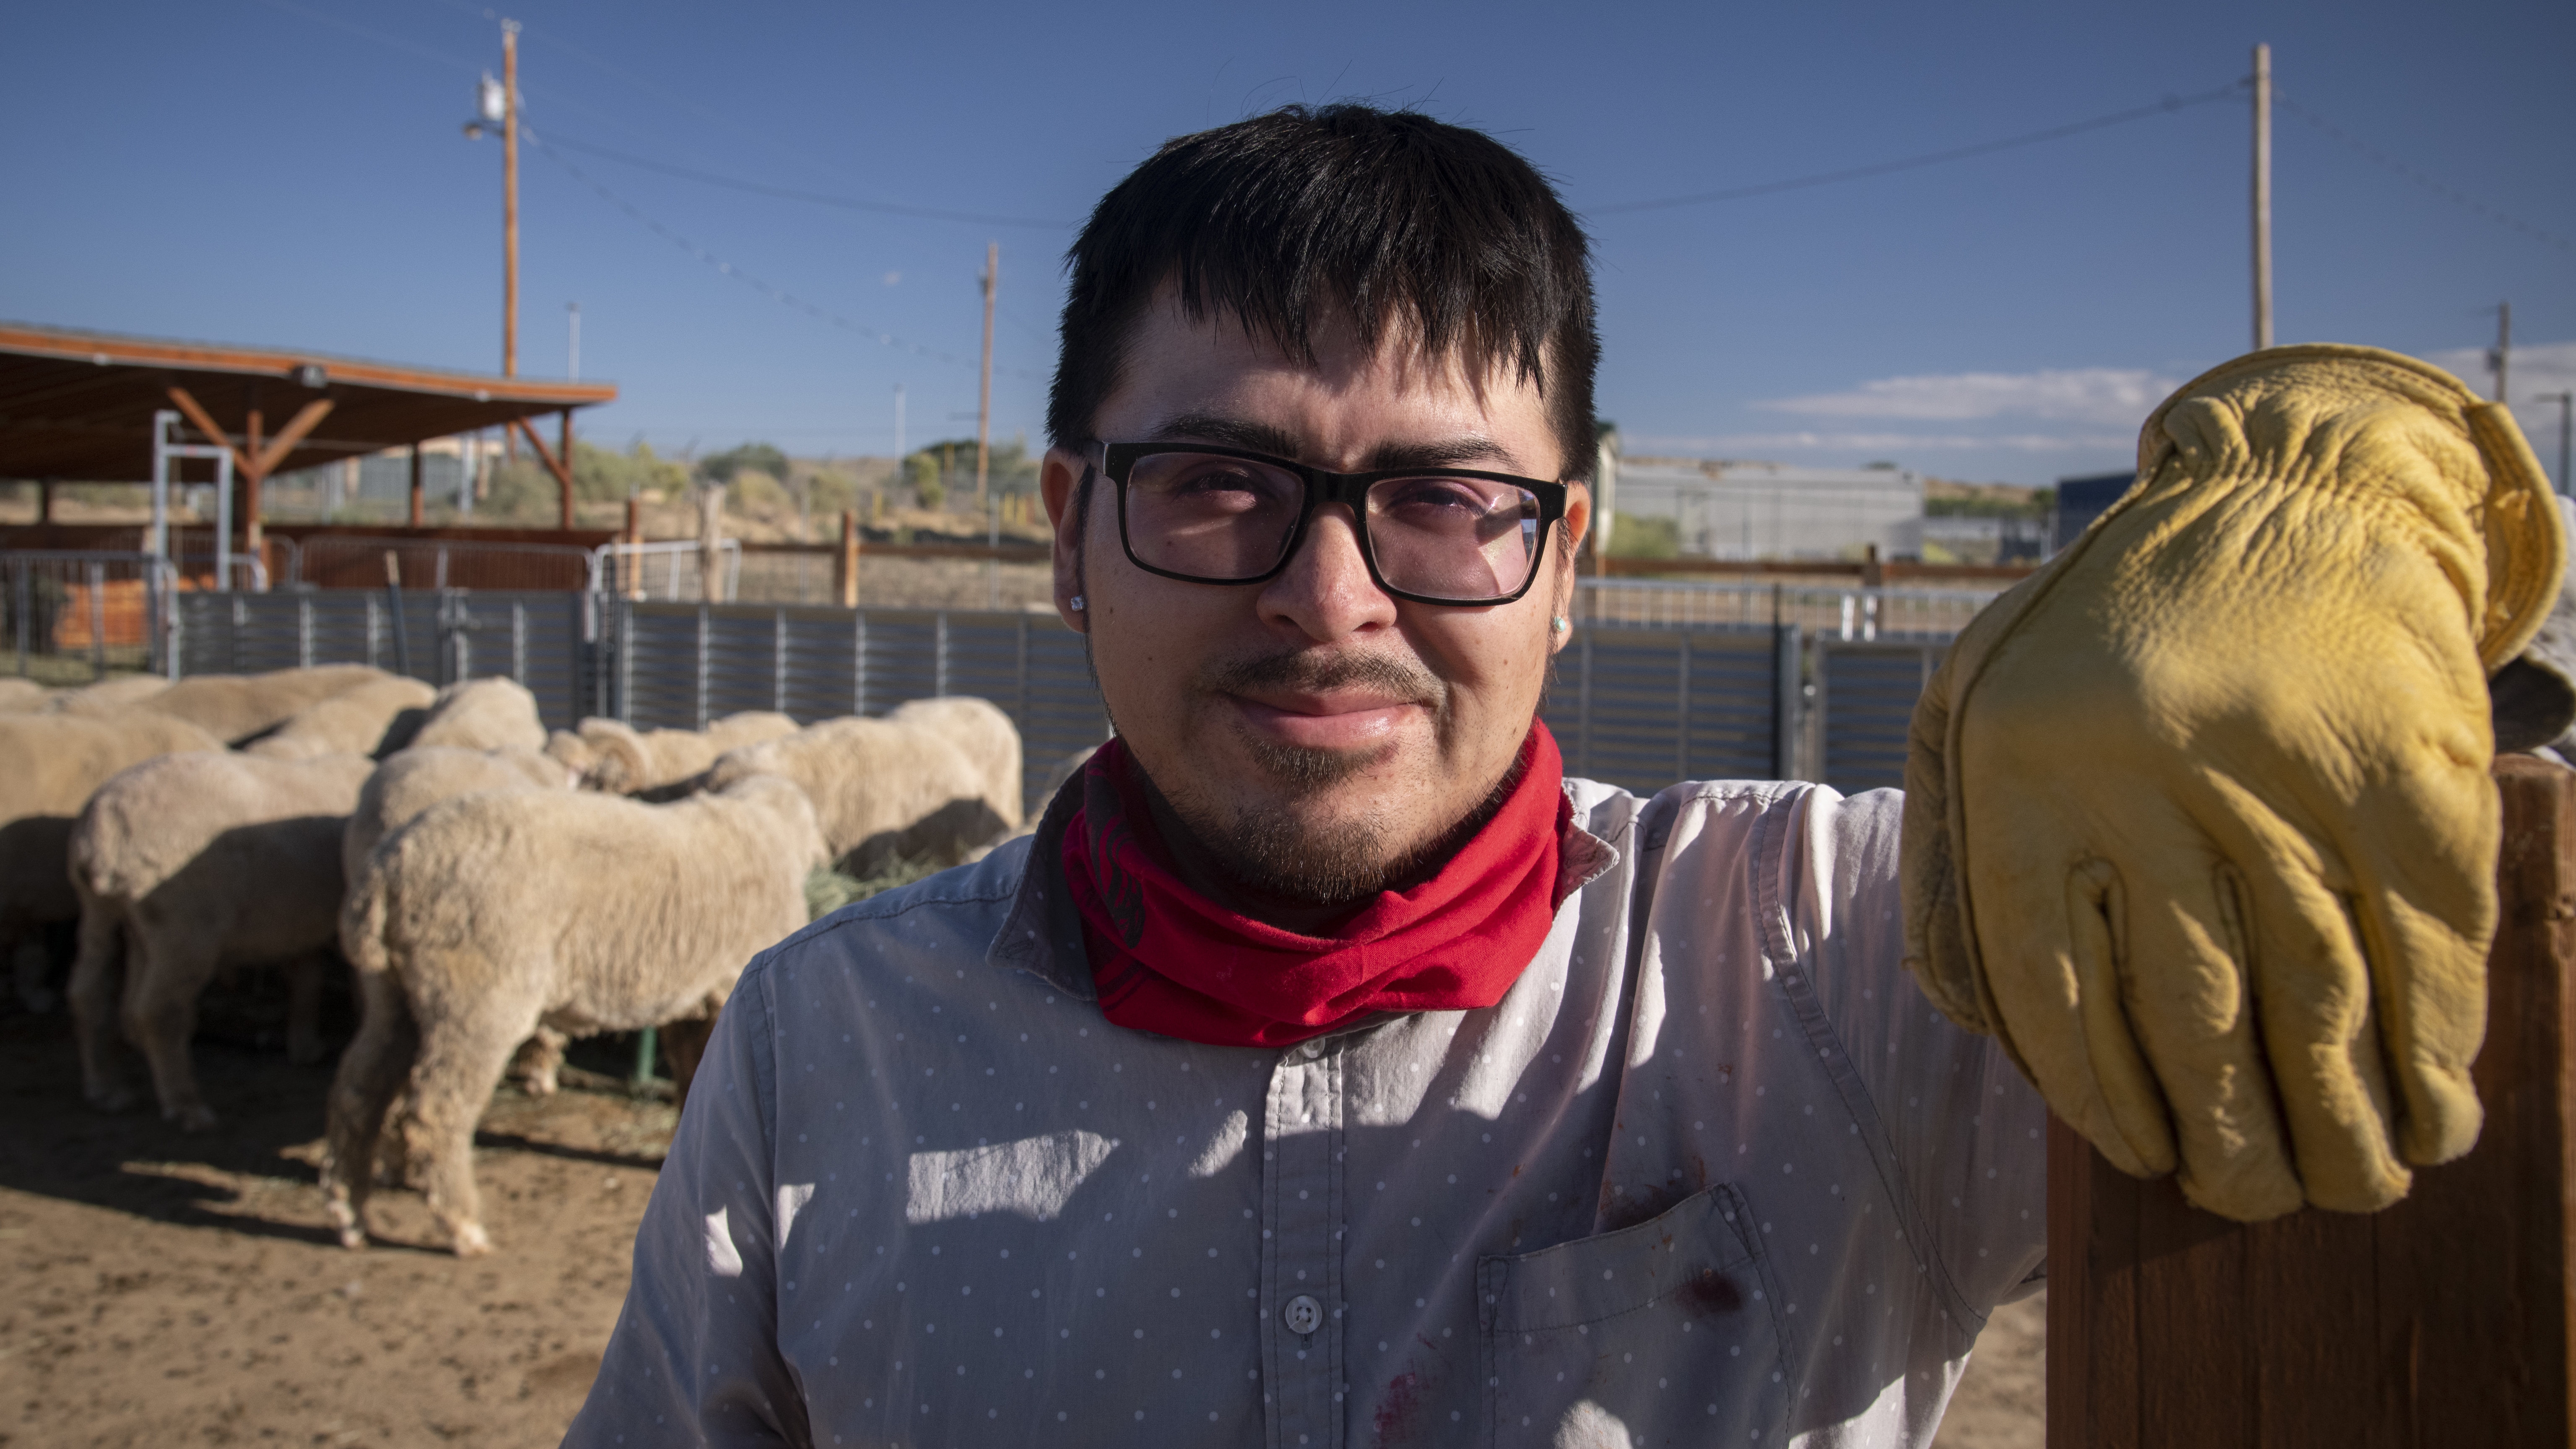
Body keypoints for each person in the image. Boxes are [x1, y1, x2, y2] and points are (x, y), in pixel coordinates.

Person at [562, 105, 2565, 1447]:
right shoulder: (827, 1042)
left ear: (1570, 560)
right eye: (1218, 485)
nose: (1329, 600)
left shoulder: (1847, 953)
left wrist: (2317, 483)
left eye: (1442, 499)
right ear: (1068, 530)